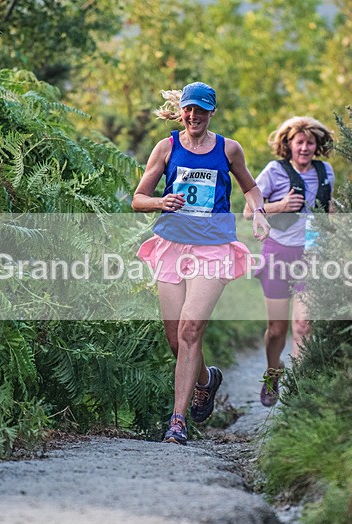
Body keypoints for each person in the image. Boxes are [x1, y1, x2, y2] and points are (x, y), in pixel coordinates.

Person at [132, 82, 271, 444]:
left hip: (213, 248)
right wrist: (161, 202)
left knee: (190, 330)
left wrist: (259, 212)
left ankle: (177, 422)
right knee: (175, 339)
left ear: (212, 112)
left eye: (201, 110)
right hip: (172, 246)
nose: (193, 116)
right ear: (182, 111)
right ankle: (206, 381)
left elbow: (251, 188)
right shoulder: (166, 147)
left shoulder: (229, 149)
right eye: (188, 109)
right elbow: (138, 198)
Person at [244, 116, 335, 407]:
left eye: (311, 143)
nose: (305, 148)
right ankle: (273, 372)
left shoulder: (326, 171)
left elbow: (328, 210)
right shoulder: (274, 171)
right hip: (278, 253)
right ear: (289, 144)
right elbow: (249, 212)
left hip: (313, 254)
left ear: (317, 146)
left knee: (304, 325)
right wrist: (281, 205)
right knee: (276, 330)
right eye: (300, 142)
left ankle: (298, 390)